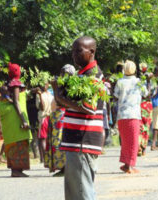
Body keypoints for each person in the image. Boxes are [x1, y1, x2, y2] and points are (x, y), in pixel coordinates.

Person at [52, 36, 104, 200]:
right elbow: (65, 104)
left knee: (81, 193)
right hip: (77, 140)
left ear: (92, 52)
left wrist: (59, 94)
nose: (74, 55)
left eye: (78, 50)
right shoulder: (81, 75)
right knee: (77, 192)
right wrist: (60, 94)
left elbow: (87, 108)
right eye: (73, 51)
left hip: (82, 140)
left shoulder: (93, 76)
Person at [114, 60, 149, 173]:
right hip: (134, 115)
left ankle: (126, 164)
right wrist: (147, 81)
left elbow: (115, 96)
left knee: (125, 141)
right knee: (134, 141)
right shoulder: (138, 82)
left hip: (122, 115)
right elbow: (146, 94)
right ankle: (130, 165)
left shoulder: (120, 82)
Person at [0, 63, 32, 177]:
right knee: (19, 143)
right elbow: (16, 102)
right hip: (15, 118)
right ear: (17, 72)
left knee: (12, 143)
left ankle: (16, 170)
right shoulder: (16, 84)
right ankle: (16, 171)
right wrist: (24, 120)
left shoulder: (6, 84)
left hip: (8, 121)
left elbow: (9, 99)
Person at [45, 64, 75, 176]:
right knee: (57, 141)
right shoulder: (60, 85)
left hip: (63, 116)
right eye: (63, 73)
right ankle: (62, 168)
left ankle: (65, 168)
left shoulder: (70, 86)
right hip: (57, 116)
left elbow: (61, 101)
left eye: (66, 74)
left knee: (61, 141)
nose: (64, 76)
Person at [36, 82, 54, 163]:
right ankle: (43, 158)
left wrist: (39, 95)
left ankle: (45, 159)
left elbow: (42, 108)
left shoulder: (40, 95)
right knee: (46, 138)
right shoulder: (51, 95)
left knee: (42, 139)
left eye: (45, 84)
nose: (43, 86)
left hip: (44, 118)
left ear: (47, 85)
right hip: (50, 118)